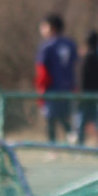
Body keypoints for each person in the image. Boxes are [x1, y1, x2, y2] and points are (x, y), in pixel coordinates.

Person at [34, 14, 78, 143]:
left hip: (51, 88)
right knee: (63, 116)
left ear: (52, 28)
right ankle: (71, 135)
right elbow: (76, 66)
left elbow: (42, 70)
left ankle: (52, 147)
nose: (42, 29)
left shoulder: (46, 46)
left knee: (51, 119)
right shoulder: (71, 44)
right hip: (68, 88)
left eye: (44, 26)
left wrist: (41, 88)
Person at [75, 30, 98, 145]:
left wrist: (80, 94)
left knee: (82, 121)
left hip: (86, 95)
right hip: (97, 95)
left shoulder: (86, 58)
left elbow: (82, 78)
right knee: (97, 121)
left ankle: (80, 144)